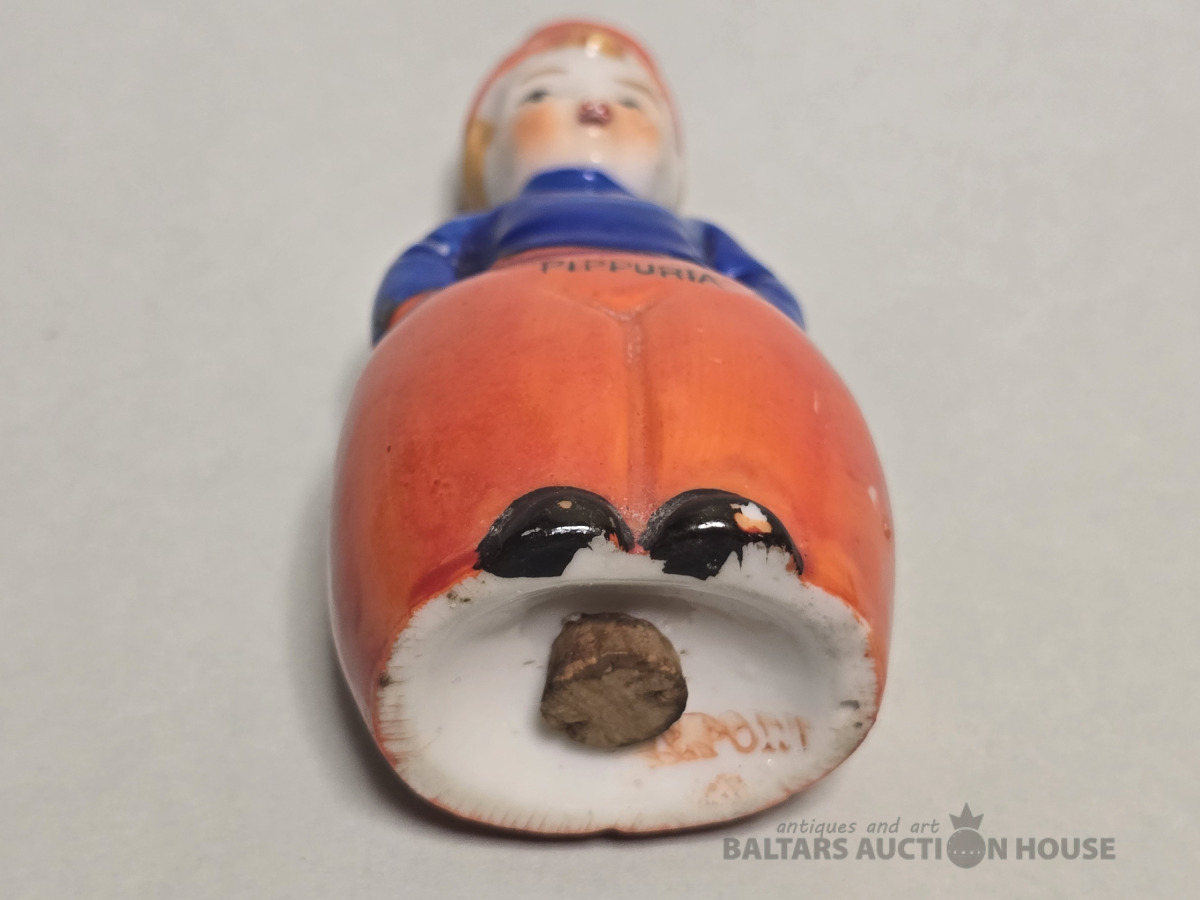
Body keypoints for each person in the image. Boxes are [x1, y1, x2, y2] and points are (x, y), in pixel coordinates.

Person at [371, 20, 804, 344]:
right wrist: (422, 318)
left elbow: (762, 290)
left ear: (671, 159)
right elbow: (422, 267)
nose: (594, 107)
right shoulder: (487, 230)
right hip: (521, 338)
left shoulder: (697, 237)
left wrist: (770, 335)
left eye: (632, 100)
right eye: (541, 94)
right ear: (487, 148)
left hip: (689, 344)